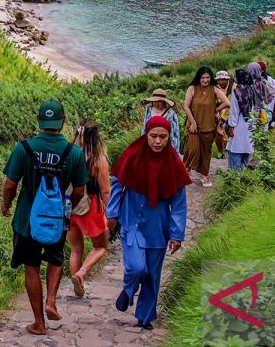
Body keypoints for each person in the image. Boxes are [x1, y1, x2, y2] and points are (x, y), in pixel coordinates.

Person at [1, 100, 88, 336]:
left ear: (39, 121)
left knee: (31, 266)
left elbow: (10, 185)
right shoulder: (75, 153)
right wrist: (66, 207)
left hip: (27, 220)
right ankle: (51, 301)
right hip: (57, 219)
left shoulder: (24, 148)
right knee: (56, 259)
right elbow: (80, 189)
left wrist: (6, 205)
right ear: (63, 122)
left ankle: (39, 323)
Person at [108, 115, 190, 330]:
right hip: (132, 221)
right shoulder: (132, 156)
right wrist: (112, 214)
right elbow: (117, 184)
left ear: (169, 137)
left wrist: (177, 234)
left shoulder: (174, 164)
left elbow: (179, 204)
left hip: (158, 228)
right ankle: (128, 290)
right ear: (146, 135)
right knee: (136, 268)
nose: (157, 141)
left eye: (163, 137)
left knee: (152, 275)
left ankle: (145, 317)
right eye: (153, 136)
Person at [67, 118, 110, 299]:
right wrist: (112, 214)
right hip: (91, 207)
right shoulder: (99, 160)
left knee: (75, 248)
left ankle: (77, 288)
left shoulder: (68, 155)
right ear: (96, 138)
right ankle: (82, 273)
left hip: (69, 206)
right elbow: (105, 191)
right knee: (100, 246)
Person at [182, 66, 230, 187]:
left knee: (206, 151)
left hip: (209, 125)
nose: (205, 80)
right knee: (191, 149)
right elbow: (186, 106)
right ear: (199, 78)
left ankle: (204, 175)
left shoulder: (214, 89)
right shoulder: (192, 88)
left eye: (208, 77)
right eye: (203, 77)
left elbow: (227, 103)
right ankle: (185, 171)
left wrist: (214, 110)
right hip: (193, 126)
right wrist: (192, 122)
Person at [227, 67, 261, 171]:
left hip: (239, 125)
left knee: (235, 151)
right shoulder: (251, 89)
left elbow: (234, 111)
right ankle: (243, 177)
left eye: (235, 76)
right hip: (250, 124)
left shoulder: (237, 91)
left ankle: (235, 178)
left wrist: (231, 126)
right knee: (246, 153)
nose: (234, 78)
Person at [142, 88, 181, 154]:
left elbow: (175, 133)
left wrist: (174, 151)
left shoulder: (170, 113)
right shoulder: (148, 110)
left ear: (164, 102)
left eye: (159, 101)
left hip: (164, 145)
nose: (157, 103)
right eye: (155, 101)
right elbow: (144, 128)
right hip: (151, 145)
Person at [214, 70, 232, 153]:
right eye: (219, 80)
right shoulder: (215, 89)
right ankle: (222, 152)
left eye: (223, 79)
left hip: (232, 115)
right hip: (221, 117)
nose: (221, 81)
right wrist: (216, 112)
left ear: (227, 79)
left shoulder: (234, 87)